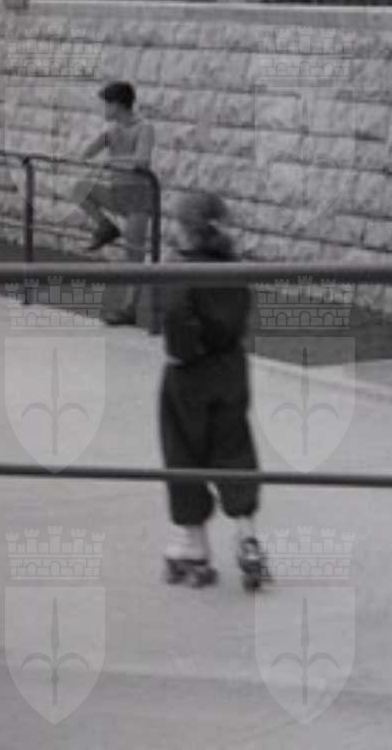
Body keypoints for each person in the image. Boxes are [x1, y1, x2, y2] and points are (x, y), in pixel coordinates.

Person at [158, 190, 268, 588]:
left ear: (187, 230)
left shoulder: (181, 271)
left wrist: (187, 349)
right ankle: (247, 536)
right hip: (231, 367)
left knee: (183, 453)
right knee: (233, 447)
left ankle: (194, 545)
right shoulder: (233, 269)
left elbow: (176, 319)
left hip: (191, 374)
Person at [77, 81, 156, 328]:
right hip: (117, 192)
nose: (104, 109)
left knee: (134, 255)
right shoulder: (112, 129)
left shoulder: (144, 128)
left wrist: (112, 161)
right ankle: (106, 227)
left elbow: (142, 161)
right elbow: (85, 154)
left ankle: (129, 309)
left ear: (118, 105)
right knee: (80, 189)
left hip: (138, 198)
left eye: (107, 104)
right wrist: (102, 140)